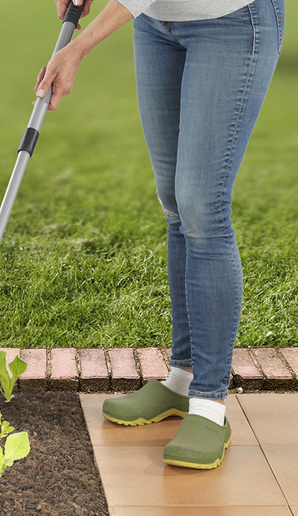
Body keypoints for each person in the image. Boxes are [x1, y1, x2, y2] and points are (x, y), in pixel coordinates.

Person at [36, 0, 285, 469]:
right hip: (156, 25)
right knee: (175, 204)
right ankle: (182, 380)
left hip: (229, 22)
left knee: (201, 207)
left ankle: (210, 405)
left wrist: (78, 48)